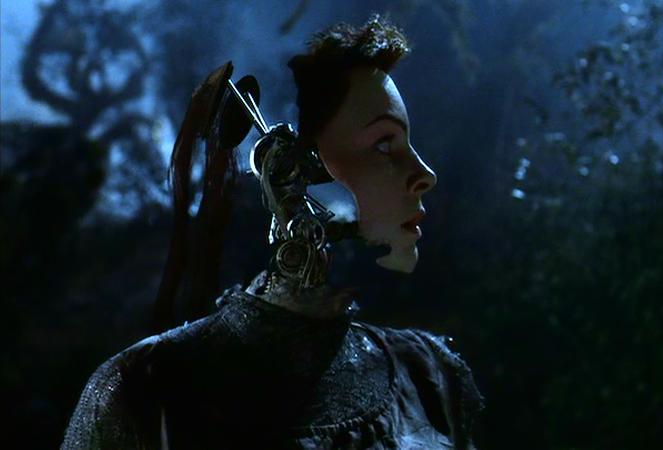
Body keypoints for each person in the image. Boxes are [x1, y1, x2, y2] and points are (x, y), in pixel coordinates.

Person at [62, 16, 484, 449]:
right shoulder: (147, 389)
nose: (425, 174)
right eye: (383, 145)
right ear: (293, 176)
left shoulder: (429, 375)